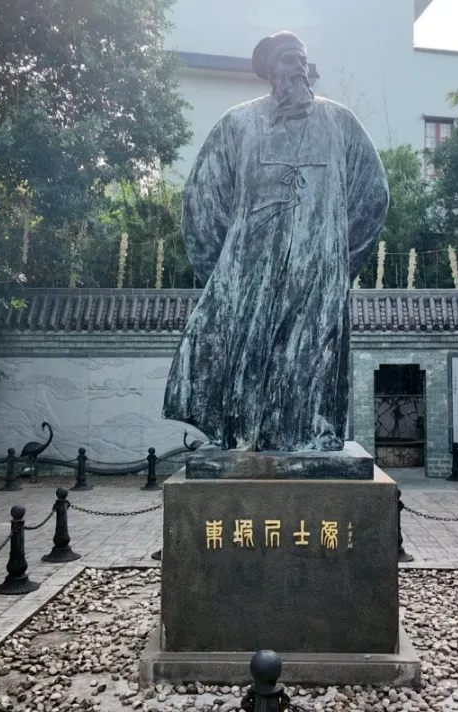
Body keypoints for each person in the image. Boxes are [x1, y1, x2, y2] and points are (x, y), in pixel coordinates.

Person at [163, 31, 389, 452]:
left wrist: (335, 259)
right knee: (247, 362)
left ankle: (313, 436)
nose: (300, 67)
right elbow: (203, 203)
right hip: (252, 278)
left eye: (303, 58)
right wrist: (228, 273)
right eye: (289, 58)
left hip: (317, 276)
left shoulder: (340, 123)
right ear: (270, 69)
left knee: (313, 359)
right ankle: (244, 436)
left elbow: (373, 197)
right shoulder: (238, 124)